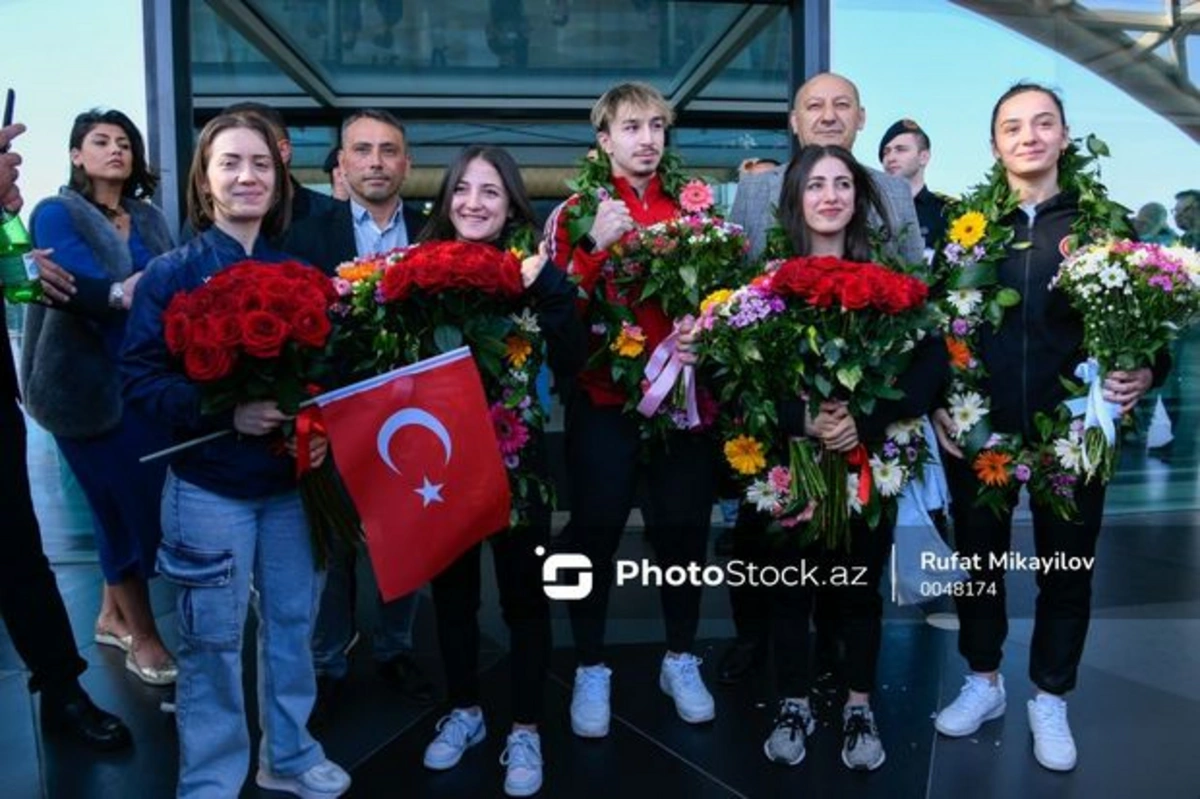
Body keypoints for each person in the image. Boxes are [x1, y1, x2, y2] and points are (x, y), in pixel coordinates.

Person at [930, 83, 1159, 773]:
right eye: (1012, 126)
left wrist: (1145, 369)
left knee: (1067, 568)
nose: (1028, 136)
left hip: (1073, 430)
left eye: (1042, 123)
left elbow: (1149, 322)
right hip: (978, 429)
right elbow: (931, 324)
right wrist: (939, 394)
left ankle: (1051, 696)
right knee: (978, 565)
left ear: (1064, 135)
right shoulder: (965, 226)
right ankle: (983, 681)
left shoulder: (1102, 225)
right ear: (995, 143)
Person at [122, 111, 351, 798]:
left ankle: (288, 753)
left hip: (291, 487)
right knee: (212, 643)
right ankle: (211, 777)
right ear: (205, 178)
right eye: (230, 163)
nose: (246, 176)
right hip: (209, 489)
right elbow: (139, 377)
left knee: (292, 627)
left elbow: (333, 372)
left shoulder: (304, 274)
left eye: (260, 163)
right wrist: (226, 408)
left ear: (279, 177)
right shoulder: (171, 275)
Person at [720, 72, 927, 687]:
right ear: (793, 120)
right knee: (762, 537)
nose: (829, 115)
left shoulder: (889, 189)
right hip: (780, 403)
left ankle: (839, 642)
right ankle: (755, 642)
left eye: (842, 106)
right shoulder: (758, 191)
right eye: (815, 106)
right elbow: (734, 294)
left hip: (859, 399)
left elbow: (914, 289)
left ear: (862, 118)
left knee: (851, 536)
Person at [758, 144, 947, 772]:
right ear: (797, 200)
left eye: (843, 184)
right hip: (790, 464)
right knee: (790, 590)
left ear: (860, 200)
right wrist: (802, 419)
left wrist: (861, 424)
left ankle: (859, 706)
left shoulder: (893, 285)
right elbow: (740, 382)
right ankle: (793, 700)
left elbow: (930, 365)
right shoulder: (764, 288)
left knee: (860, 591)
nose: (830, 196)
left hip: (868, 464)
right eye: (816, 185)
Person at [545, 81, 718, 737]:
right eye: (632, 127)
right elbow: (554, 322)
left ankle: (679, 655)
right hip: (603, 405)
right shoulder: (573, 212)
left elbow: (726, 302)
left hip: (682, 406)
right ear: (604, 139)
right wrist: (590, 249)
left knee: (682, 535)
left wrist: (710, 330)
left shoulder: (694, 207)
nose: (648, 139)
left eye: (657, 126)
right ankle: (591, 664)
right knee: (593, 537)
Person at [416, 145, 585, 797]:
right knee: (454, 599)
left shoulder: (533, 272)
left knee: (524, 600)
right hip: (441, 466)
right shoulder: (419, 272)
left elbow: (571, 357)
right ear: (447, 199)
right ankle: (464, 712)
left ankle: (525, 728)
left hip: (521, 463)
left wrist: (547, 284)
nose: (473, 203)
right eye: (463, 190)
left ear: (511, 202)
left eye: (490, 191)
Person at [286, 109, 433, 727]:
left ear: (406, 164)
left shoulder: (435, 231)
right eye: (362, 150)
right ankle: (327, 662)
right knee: (331, 548)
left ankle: (395, 648)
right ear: (340, 164)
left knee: (405, 542)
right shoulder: (304, 228)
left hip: (411, 419)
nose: (376, 161)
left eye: (389, 150)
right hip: (329, 416)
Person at [18, 109, 176, 687]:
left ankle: (110, 615)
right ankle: (145, 637)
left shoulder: (150, 217)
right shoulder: (56, 212)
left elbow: (170, 284)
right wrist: (123, 292)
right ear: (76, 156)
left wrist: (145, 293)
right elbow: (72, 287)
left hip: (145, 385)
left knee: (144, 507)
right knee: (116, 515)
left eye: (124, 142)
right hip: (80, 390)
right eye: (100, 141)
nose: (115, 150)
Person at [0, 118, 132, 754]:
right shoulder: (64, 209)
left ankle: (62, 690)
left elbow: (24, 281)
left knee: (19, 551)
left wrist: (5, 223)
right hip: (81, 399)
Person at [878, 118, 949, 260]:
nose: (890, 158)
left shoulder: (946, 211)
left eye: (900, 150)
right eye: (886, 152)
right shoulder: (873, 210)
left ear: (923, 157)